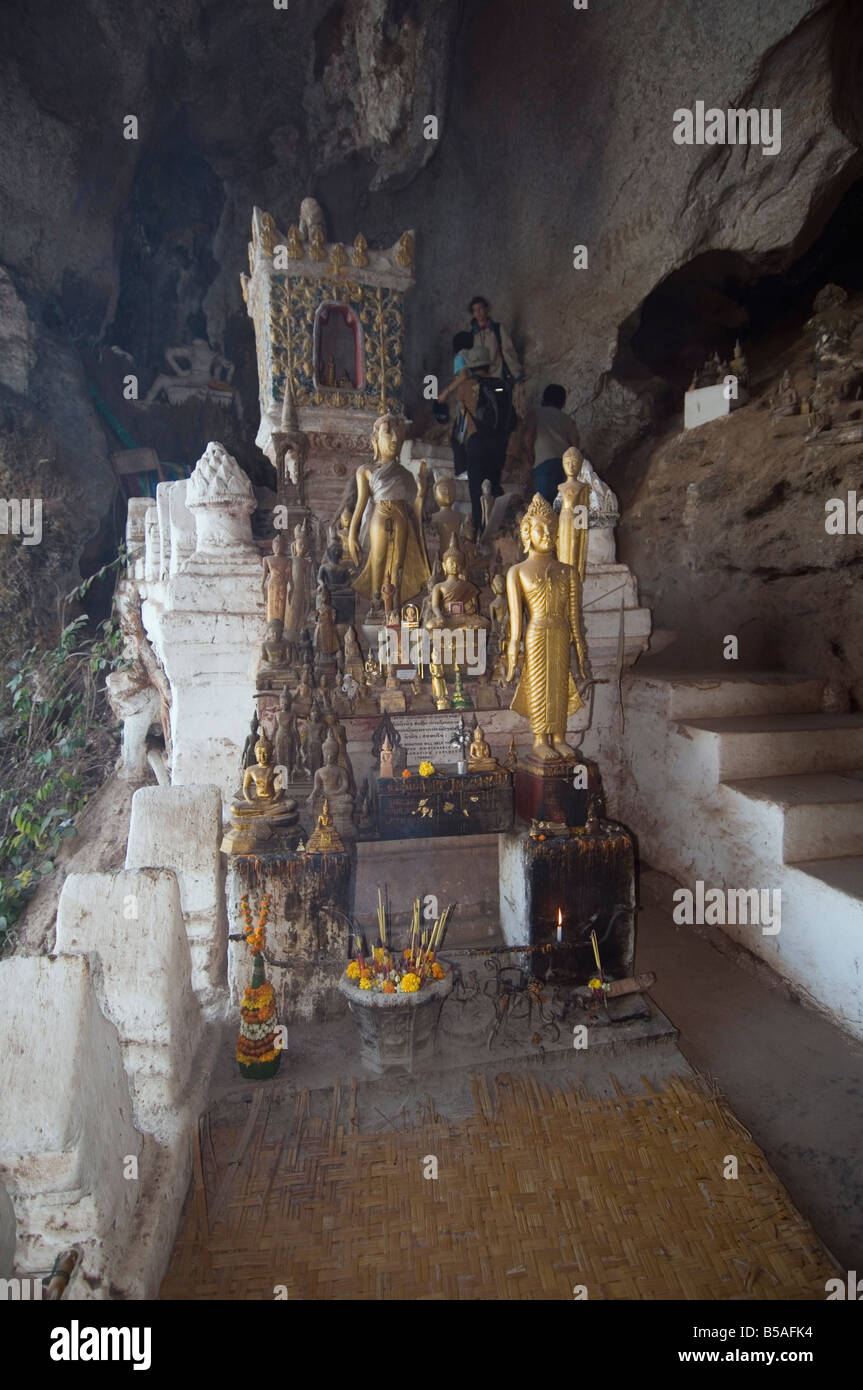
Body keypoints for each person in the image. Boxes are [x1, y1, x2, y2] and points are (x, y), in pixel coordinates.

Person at [455, 346, 510, 533]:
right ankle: (497, 532)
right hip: (498, 442)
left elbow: (461, 419)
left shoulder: (465, 386)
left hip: (476, 441)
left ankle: (479, 532)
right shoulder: (501, 384)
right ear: (488, 363)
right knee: (494, 485)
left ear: (470, 366)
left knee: (477, 490)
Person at [523, 384, 581, 504]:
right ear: (563, 402)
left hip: (544, 463)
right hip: (564, 466)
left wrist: (529, 453)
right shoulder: (567, 419)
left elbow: (529, 435)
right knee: (562, 503)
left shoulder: (536, 413)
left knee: (544, 504)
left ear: (544, 399)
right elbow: (575, 445)